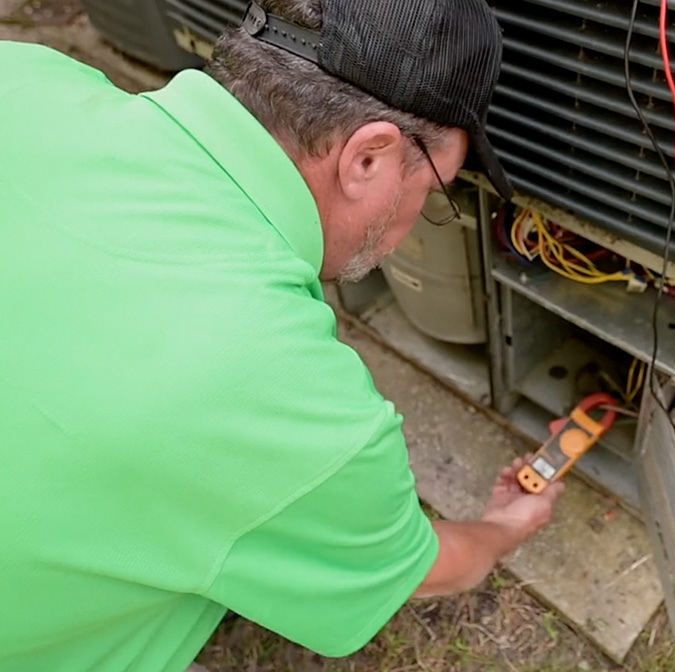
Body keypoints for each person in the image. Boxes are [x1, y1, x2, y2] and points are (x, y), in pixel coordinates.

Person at [0, 0, 565, 670]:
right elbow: (422, 568)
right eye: (435, 191)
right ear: (369, 160)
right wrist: (504, 527)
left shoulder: (24, 76)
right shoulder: (290, 400)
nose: (420, 218)